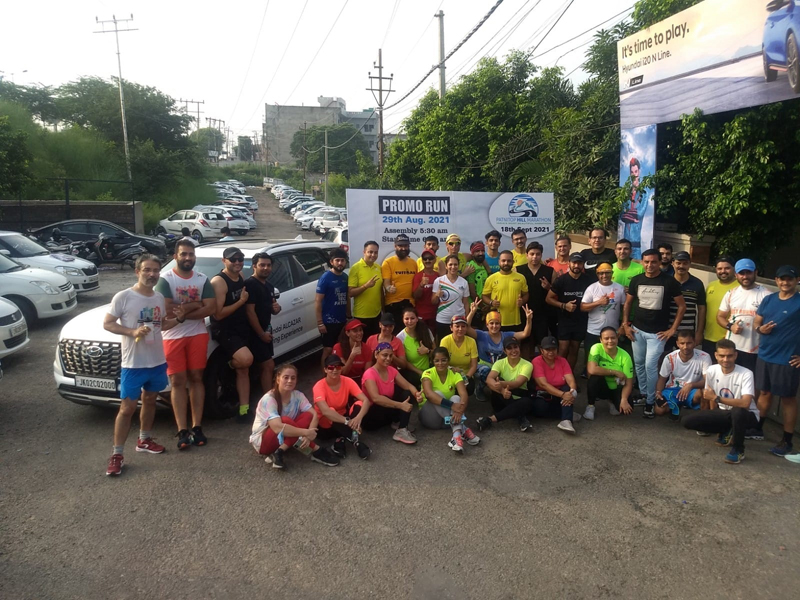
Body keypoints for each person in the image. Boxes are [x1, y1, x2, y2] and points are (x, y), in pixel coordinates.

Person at [104, 255, 185, 476]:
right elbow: (108, 323)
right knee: (127, 409)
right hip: (133, 364)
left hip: (157, 361)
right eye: (147, 270)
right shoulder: (124, 297)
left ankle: (144, 440)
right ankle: (117, 454)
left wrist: (179, 319)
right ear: (137, 271)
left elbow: (160, 325)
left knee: (150, 400)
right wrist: (132, 332)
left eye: (156, 270)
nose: (152, 274)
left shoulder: (159, 297)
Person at [155, 239, 216, 450]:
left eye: (191, 254)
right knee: (178, 381)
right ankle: (182, 430)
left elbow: (210, 308)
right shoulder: (166, 279)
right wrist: (195, 304)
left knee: (196, 378)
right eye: (183, 254)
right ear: (175, 257)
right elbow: (167, 309)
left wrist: (184, 310)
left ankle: (197, 426)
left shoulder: (202, 279)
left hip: (197, 335)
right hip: (172, 336)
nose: (187, 258)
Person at [623, 248, 686, 418]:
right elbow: (628, 304)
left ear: (660, 262)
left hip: (657, 334)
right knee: (638, 364)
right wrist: (625, 325)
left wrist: (672, 330)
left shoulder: (669, 282)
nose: (650, 265)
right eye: (646, 262)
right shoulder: (636, 280)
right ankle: (644, 394)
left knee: (651, 366)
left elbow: (682, 306)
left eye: (653, 262)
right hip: (637, 330)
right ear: (642, 262)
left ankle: (651, 401)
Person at [249, 363, 339, 470]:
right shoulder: (269, 399)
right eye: (285, 377)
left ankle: (280, 451)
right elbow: (277, 428)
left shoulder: (298, 395)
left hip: (285, 437)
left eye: (293, 378)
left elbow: (314, 414)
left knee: (307, 415)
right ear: (278, 379)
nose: (290, 381)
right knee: (285, 421)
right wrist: (305, 432)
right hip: (264, 442)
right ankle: (316, 450)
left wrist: (308, 435)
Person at [682, 340, 759, 465]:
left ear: (735, 355)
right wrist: (715, 419)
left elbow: (745, 403)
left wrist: (717, 398)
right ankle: (726, 429)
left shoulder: (746, 373)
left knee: (737, 411)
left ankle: (738, 449)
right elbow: (709, 397)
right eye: (722, 356)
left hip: (747, 415)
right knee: (687, 421)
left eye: (729, 356)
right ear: (716, 355)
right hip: (725, 413)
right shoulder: (712, 370)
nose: (725, 359)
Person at [753, 265, 800, 456]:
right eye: (782, 279)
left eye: (789, 279)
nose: (785, 282)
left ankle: (787, 441)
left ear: (797, 280)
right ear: (776, 280)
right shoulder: (769, 299)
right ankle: (757, 428)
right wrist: (760, 330)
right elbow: (757, 322)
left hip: (787, 359)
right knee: (764, 392)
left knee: (788, 399)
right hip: (765, 354)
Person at [210, 247, 254, 423]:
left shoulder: (241, 276)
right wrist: (241, 302)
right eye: (232, 259)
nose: (237, 262)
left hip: (241, 328)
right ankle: (228, 365)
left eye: (240, 259)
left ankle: (243, 410)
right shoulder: (219, 282)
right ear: (224, 261)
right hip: (225, 329)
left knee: (244, 369)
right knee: (245, 360)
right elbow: (218, 314)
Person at [419, 347, 481, 453]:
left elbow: (464, 394)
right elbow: (429, 394)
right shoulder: (428, 373)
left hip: (447, 421)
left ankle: (456, 436)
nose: (440, 363)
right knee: (437, 394)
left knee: (456, 397)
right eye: (437, 361)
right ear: (432, 361)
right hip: (430, 419)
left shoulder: (455, 374)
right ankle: (464, 429)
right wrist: (452, 406)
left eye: (444, 360)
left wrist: (460, 410)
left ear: (448, 360)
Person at [467, 303, 533, 400]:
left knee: (502, 377)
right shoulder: (481, 335)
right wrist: (472, 312)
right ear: (487, 324)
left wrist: (528, 319)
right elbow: (467, 328)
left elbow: (525, 334)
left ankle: (500, 394)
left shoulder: (506, 335)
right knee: (486, 371)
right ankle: (480, 389)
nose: (494, 326)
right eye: (491, 323)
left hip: (500, 367)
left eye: (497, 323)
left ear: (500, 324)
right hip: (484, 366)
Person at [361, 342, 424, 444]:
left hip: (386, 410)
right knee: (384, 397)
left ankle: (401, 429)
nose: (388, 358)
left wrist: (416, 394)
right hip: (371, 417)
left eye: (390, 356)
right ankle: (397, 422)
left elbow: (408, 385)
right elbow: (375, 398)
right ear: (376, 355)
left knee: (406, 393)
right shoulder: (370, 373)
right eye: (384, 355)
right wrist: (400, 406)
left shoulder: (391, 370)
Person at [312, 355, 372, 460]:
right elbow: (325, 411)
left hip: (343, 419)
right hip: (325, 426)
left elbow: (366, 400)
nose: (335, 370)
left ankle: (340, 441)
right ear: (325, 369)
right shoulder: (319, 386)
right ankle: (356, 442)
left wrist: (358, 419)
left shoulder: (347, 381)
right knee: (331, 411)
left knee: (359, 404)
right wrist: (348, 422)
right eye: (331, 367)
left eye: (338, 367)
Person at [717, 258, 769, 373]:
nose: (745, 276)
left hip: (755, 350)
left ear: (756, 272)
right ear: (736, 275)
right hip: (731, 349)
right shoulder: (731, 293)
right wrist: (730, 326)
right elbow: (720, 316)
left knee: (752, 383)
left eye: (748, 272)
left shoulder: (766, 295)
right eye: (741, 273)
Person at [476, 337, 535, 433]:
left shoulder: (527, 365)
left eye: (515, 347)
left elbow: (517, 383)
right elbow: (489, 379)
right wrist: (502, 391)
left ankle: (490, 419)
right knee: (495, 381)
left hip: (519, 398)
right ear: (504, 350)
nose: (513, 351)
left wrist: (502, 384)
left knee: (526, 402)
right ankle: (521, 417)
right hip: (501, 400)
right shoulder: (499, 363)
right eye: (509, 348)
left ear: (519, 348)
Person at [245, 252, 282, 398]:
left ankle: (267, 397)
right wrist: (261, 334)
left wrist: (276, 309)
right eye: (262, 265)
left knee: (265, 366)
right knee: (268, 365)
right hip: (254, 334)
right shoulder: (250, 285)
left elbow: (272, 308)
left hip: (266, 331)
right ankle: (269, 399)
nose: (266, 268)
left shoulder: (269, 286)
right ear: (254, 266)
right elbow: (249, 312)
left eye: (268, 265)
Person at [546, 253, 592, 370]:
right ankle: (557, 375)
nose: (576, 265)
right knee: (563, 349)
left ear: (582, 265)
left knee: (574, 349)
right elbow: (548, 299)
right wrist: (563, 305)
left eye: (579, 263)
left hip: (581, 320)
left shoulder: (588, 281)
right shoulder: (561, 280)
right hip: (564, 320)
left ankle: (569, 375)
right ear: (569, 263)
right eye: (574, 262)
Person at [654, 329, 711, 419]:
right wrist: (658, 393)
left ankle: (703, 421)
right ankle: (674, 406)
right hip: (673, 389)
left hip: (693, 390)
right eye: (682, 343)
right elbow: (662, 379)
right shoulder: (670, 358)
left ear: (695, 342)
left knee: (705, 392)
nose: (685, 347)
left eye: (689, 343)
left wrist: (690, 385)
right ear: (677, 343)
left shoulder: (704, 357)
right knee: (659, 410)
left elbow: (708, 380)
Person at [531, 336, 580, 434]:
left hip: (560, 395)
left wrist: (572, 393)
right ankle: (566, 412)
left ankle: (566, 420)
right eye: (547, 349)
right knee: (540, 409)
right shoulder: (537, 361)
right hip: (543, 395)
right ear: (541, 350)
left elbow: (571, 380)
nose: (551, 352)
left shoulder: (562, 360)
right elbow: (543, 384)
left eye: (553, 349)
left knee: (567, 388)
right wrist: (563, 395)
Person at [585, 327, 635, 419]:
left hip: (617, 388)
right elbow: (591, 369)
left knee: (627, 408)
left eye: (613, 338)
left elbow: (629, 383)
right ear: (601, 340)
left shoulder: (625, 356)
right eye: (606, 338)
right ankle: (590, 406)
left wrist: (624, 400)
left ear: (617, 338)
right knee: (594, 378)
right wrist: (614, 372)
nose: (610, 341)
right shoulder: (596, 348)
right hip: (602, 385)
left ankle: (612, 401)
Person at [517, 241, 555, 355]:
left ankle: (542, 370)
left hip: (542, 314)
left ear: (541, 255)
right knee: (525, 345)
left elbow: (556, 293)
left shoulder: (550, 271)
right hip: (523, 313)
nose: (535, 257)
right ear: (526, 255)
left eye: (538, 254)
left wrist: (549, 287)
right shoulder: (518, 270)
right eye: (532, 254)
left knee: (543, 344)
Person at [581, 262, 625, 356]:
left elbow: (625, 307)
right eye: (601, 273)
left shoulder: (619, 288)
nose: (604, 275)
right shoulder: (592, 288)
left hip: (613, 332)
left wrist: (623, 325)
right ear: (597, 274)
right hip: (594, 331)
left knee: (612, 359)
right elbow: (582, 307)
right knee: (591, 359)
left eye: (607, 272)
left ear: (612, 273)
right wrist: (599, 302)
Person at [316, 248, 349, 370]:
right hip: (328, 322)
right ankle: (324, 376)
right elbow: (318, 301)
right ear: (331, 262)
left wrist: (349, 317)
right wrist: (320, 323)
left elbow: (347, 298)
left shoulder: (345, 277)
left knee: (340, 348)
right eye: (337, 260)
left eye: (342, 260)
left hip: (342, 321)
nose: (340, 263)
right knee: (328, 349)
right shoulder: (325, 277)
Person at [666, 251, 706, 352]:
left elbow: (702, 308)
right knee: (666, 360)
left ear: (689, 264)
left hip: (688, 333)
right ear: (673, 263)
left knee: (687, 360)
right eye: (678, 263)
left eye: (685, 263)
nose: (681, 266)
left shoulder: (697, 283)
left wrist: (699, 332)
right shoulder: (666, 281)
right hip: (667, 331)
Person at [482, 250, 529, 332]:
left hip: (515, 320)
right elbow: (484, 296)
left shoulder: (521, 277)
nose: (506, 263)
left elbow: (526, 294)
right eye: (503, 261)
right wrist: (491, 302)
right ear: (499, 262)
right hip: (496, 322)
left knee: (515, 344)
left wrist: (522, 301)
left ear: (513, 262)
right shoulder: (491, 278)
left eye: (509, 261)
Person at [703, 256, 739, 358]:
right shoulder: (711, 286)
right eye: (719, 269)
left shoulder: (739, 287)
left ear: (734, 269)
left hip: (729, 338)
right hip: (709, 337)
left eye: (727, 268)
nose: (723, 271)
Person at [381, 233, 418, 330]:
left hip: (410, 304)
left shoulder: (413, 262)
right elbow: (386, 282)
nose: (403, 248)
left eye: (405, 245)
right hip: (393, 304)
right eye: (400, 246)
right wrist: (389, 288)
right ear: (395, 246)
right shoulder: (388, 262)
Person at [348, 240, 383, 336]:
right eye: (370, 252)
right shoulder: (356, 268)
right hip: (361, 315)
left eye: (375, 252)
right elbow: (350, 293)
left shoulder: (378, 267)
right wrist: (365, 286)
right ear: (364, 252)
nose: (373, 255)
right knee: (362, 346)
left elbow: (380, 290)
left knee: (374, 345)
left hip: (377, 314)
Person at [432, 255, 471, 342]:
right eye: (450, 264)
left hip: (459, 321)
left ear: (458, 266)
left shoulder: (464, 282)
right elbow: (433, 301)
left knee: (458, 343)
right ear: (446, 266)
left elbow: (466, 303)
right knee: (443, 345)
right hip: (443, 320)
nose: (453, 267)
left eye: (455, 264)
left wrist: (467, 319)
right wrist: (437, 295)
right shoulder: (438, 281)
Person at [396, 307, 436, 389]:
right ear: (403, 320)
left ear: (417, 319)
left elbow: (436, 352)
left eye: (412, 318)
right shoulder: (400, 338)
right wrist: (421, 372)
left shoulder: (425, 331)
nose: (410, 321)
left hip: (429, 368)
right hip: (413, 373)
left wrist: (427, 351)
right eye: (407, 319)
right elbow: (404, 362)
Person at [439, 315, 479, 395]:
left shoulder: (471, 342)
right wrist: (452, 369)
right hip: (449, 373)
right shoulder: (445, 341)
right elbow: (441, 362)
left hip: (465, 374)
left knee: (469, 387)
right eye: (457, 326)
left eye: (463, 326)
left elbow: (474, 365)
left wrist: (466, 378)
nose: (460, 329)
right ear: (451, 328)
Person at [620, 157, 648, 259]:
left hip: (636, 244)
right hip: (624, 244)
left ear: (639, 172)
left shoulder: (644, 192)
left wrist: (628, 214)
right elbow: (621, 215)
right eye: (632, 172)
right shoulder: (625, 193)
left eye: (636, 171)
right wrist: (632, 217)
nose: (634, 174)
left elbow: (639, 213)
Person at [333, 319, 368, 385]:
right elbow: (343, 372)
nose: (359, 333)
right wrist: (352, 356)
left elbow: (367, 373)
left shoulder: (367, 348)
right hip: (342, 381)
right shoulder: (338, 347)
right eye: (355, 331)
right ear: (347, 333)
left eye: (360, 330)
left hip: (359, 381)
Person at [412, 249, 439, 331]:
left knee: (434, 339)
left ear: (434, 259)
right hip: (421, 314)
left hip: (435, 314)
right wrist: (421, 285)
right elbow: (415, 296)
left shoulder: (438, 276)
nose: (427, 260)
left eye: (430, 258)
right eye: (425, 258)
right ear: (422, 261)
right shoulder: (418, 276)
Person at [465, 241, 490, 308]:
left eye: (482, 251)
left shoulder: (484, 265)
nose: (481, 253)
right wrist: (482, 307)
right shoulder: (471, 267)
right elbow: (472, 292)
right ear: (472, 253)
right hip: (476, 307)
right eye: (477, 251)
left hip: (486, 304)